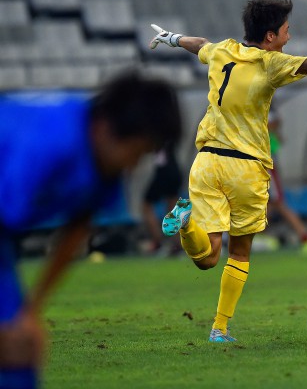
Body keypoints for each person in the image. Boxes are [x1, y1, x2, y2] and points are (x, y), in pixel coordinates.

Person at [149, 0, 307, 343]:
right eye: (287, 31)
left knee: (207, 257)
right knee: (238, 253)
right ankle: (219, 328)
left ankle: (186, 224)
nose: (290, 37)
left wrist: (170, 38)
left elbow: (197, 44)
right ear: (271, 36)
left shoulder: (222, 51)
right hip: (245, 167)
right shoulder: (269, 62)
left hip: (206, 163)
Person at [0, 73, 181, 389]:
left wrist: (30, 313)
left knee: (20, 350)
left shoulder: (102, 164)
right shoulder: (51, 143)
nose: (134, 166)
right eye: (137, 152)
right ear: (108, 130)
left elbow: (76, 231)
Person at [266, 105, 307, 255]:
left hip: (266, 165)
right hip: (261, 165)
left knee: (277, 202)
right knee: (270, 204)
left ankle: (305, 237)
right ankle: (304, 237)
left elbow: (277, 134)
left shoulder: (263, 113)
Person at [140, 144, 183, 256]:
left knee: (146, 206)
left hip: (164, 171)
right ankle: (178, 244)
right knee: (172, 209)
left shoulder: (159, 134)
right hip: (174, 170)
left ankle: (159, 242)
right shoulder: (170, 135)